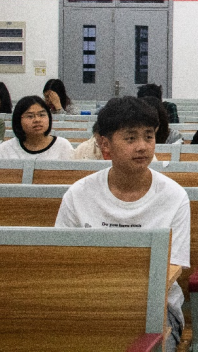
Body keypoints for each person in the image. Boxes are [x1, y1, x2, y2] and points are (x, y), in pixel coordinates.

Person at [55, 96, 190, 352]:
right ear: (104, 143)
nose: (142, 147)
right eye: (130, 138)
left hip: (155, 310)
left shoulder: (174, 197)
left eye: (149, 137)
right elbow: (62, 262)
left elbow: (171, 270)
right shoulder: (79, 194)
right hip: (86, 307)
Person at [0, 96, 74, 160]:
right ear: (18, 120)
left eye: (42, 115)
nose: (37, 120)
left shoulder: (62, 146)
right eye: (30, 116)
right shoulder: (4, 150)